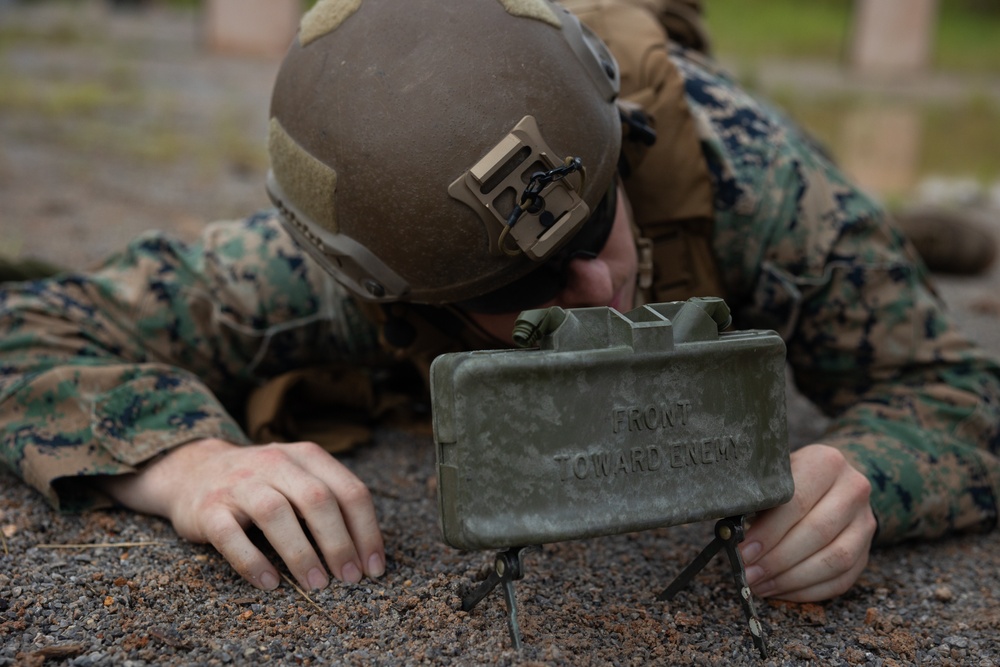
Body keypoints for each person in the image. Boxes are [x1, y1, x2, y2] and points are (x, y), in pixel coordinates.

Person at [1, 0, 998, 605]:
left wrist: (868, 472)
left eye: (595, 229)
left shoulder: (758, 181)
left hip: (679, 137)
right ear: (400, 297)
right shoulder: (333, 265)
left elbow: (957, 390)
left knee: (831, 252)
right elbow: (33, 329)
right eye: (524, 293)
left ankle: (911, 228)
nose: (599, 288)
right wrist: (187, 463)